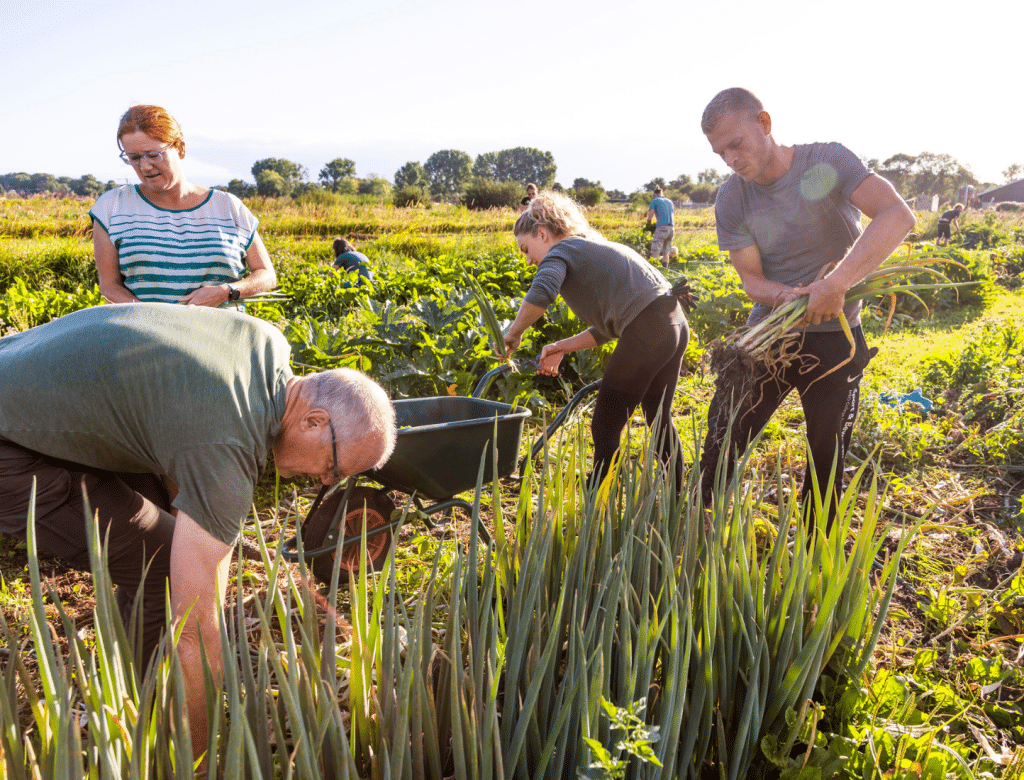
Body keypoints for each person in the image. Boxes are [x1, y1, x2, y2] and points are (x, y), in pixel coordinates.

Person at [0, 303, 396, 762]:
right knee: (163, 574)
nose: (325, 480)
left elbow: (177, 434)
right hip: (11, 448)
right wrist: (200, 761)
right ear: (314, 420)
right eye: (332, 466)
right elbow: (196, 632)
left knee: (162, 547)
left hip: (17, 369)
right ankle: (155, 737)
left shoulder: (264, 343)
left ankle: (136, 696)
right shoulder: (227, 442)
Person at [697, 87, 915, 527]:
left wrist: (836, 283)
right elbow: (751, 280)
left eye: (735, 144)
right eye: (720, 153)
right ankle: (696, 537)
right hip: (769, 336)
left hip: (837, 339)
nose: (731, 160)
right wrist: (789, 296)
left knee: (826, 458)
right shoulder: (732, 198)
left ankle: (817, 563)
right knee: (722, 438)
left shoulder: (827, 162)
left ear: (764, 123)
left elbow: (897, 215)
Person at [503, 191, 692, 490]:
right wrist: (560, 346)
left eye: (526, 249)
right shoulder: (589, 247)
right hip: (673, 323)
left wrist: (513, 333)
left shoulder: (560, 252)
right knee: (659, 419)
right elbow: (612, 327)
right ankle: (679, 499)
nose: (528, 260)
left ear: (542, 234)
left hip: (649, 327)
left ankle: (597, 503)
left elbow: (542, 291)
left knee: (605, 422)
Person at [90, 105, 277, 308]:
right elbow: (109, 285)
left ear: (180, 148)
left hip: (223, 335)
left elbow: (266, 275)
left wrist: (225, 292)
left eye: (153, 155)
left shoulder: (228, 206)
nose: (144, 166)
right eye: (134, 158)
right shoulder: (112, 207)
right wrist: (150, 316)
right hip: (146, 335)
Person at [646, 185, 676, 267]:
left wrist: (648, 224)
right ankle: (665, 271)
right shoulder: (670, 202)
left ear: (655, 194)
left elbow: (650, 216)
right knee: (666, 252)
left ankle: (654, 272)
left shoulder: (655, 201)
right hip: (671, 229)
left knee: (655, 251)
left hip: (662, 228)